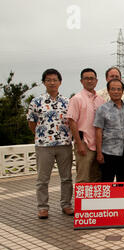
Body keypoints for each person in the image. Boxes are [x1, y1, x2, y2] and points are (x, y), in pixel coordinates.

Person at [27, 69, 73, 219]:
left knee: (66, 178)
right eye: (48, 80)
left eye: (55, 80)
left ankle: (66, 204)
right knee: (42, 179)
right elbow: (31, 122)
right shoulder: (36, 101)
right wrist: (41, 135)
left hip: (64, 144)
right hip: (44, 145)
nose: (52, 82)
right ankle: (42, 207)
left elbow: (72, 122)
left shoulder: (67, 102)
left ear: (60, 82)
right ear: (44, 82)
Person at [94, 79, 124, 182]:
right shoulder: (102, 109)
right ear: (108, 91)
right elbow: (98, 131)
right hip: (108, 152)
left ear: (123, 91)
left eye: (119, 89)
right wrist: (99, 152)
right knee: (107, 180)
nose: (116, 92)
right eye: (113, 89)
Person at [67, 68, 105, 183]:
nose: (89, 81)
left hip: (99, 145)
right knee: (83, 178)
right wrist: (79, 144)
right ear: (81, 81)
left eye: (92, 78)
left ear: (96, 81)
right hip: (84, 143)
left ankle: (95, 201)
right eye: (86, 78)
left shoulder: (101, 100)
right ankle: (81, 201)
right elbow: (72, 121)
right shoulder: (76, 99)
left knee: (97, 177)